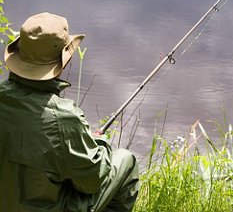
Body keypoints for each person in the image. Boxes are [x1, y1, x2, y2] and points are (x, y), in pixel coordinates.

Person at [0, 12, 139, 212]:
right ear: (62, 60)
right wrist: (98, 142)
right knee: (126, 160)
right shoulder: (64, 117)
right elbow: (92, 181)